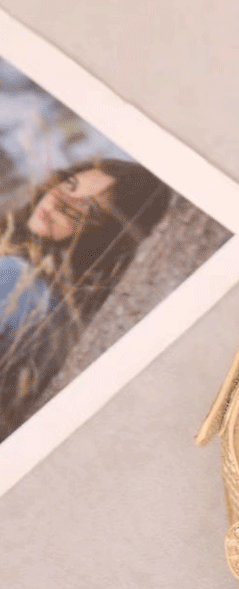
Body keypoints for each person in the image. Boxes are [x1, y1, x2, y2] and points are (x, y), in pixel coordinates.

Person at [0, 158, 171, 440]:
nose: (58, 203)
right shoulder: (64, 308)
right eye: (70, 185)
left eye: (87, 208)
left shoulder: (17, 277)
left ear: (101, 238)